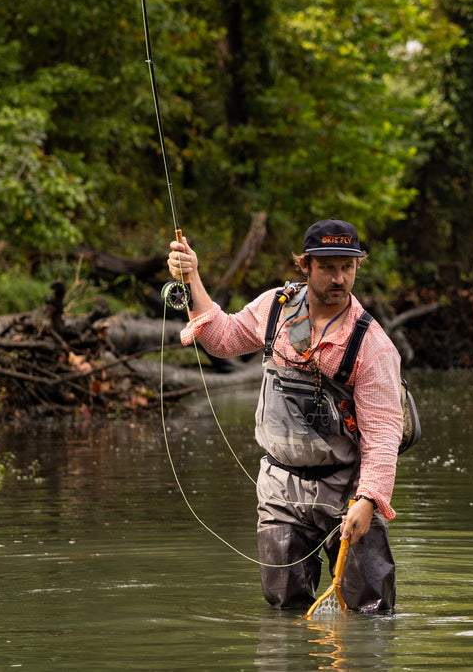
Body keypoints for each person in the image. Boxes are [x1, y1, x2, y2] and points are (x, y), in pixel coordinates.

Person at [167, 218, 403, 613]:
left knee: (372, 612)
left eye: (348, 267)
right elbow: (222, 338)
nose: (339, 278)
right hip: (279, 488)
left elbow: (383, 433)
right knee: (282, 608)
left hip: (348, 489)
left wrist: (369, 500)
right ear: (305, 265)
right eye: (328, 266)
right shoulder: (274, 308)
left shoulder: (373, 346)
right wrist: (192, 278)